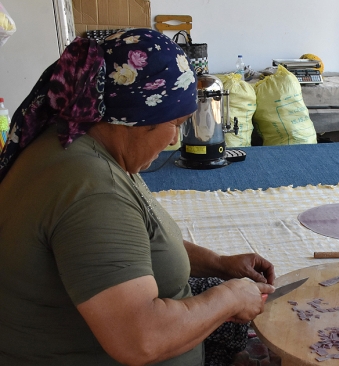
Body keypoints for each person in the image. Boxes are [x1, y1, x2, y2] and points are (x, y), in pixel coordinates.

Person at [0, 28, 275, 366]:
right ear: (134, 117)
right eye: (174, 124)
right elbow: (142, 340)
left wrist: (219, 264)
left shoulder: (76, 138)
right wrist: (230, 297)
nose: (175, 140)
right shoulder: (92, 190)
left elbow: (129, 244)